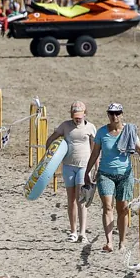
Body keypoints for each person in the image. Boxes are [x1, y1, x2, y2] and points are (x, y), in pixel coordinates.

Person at [84, 102, 140, 254]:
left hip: (125, 175)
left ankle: (122, 241)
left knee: (123, 208)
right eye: (112, 113)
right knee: (107, 206)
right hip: (105, 174)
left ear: (122, 114)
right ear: (108, 114)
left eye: (117, 113)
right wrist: (87, 171)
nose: (115, 116)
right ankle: (109, 242)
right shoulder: (101, 133)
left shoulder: (129, 131)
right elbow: (95, 154)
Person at [45, 101, 97, 242]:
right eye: (75, 116)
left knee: (81, 199)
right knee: (71, 199)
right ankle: (73, 231)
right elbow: (51, 139)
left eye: (80, 116)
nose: (77, 118)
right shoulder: (65, 126)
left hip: (83, 166)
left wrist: (95, 167)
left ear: (85, 114)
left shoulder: (91, 128)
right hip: (68, 166)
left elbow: (95, 149)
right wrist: (49, 157)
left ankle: (83, 232)